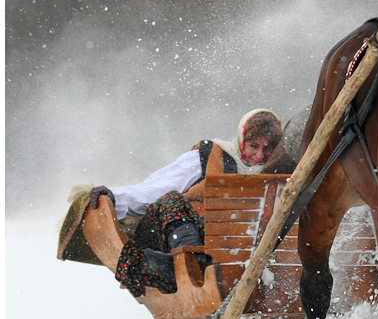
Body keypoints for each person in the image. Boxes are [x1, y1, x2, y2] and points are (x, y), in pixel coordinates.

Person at [88, 109, 292, 297]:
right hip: (176, 235)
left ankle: (186, 266)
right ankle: (186, 265)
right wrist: (116, 197)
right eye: (253, 146)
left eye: (269, 147)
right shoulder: (209, 157)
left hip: (235, 252)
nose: (260, 155)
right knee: (172, 199)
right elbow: (156, 189)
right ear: (241, 141)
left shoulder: (281, 172)